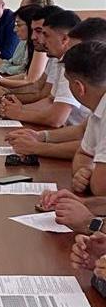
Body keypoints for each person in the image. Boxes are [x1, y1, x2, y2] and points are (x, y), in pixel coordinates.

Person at [5, 18, 106, 159]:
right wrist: (41, 136)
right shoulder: (70, 67)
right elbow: (82, 131)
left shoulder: (82, 75)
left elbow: (57, 119)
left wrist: (38, 147)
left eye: (75, 49)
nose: (69, 55)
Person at [0, 10, 89, 127]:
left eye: (45, 35)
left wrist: (20, 113)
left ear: (64, 39)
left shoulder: (73, 64)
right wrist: (19, 108)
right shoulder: (58, 60)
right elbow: (50, 100)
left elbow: (57, 119)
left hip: (73, 132)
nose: (40, 39)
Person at [0, 5, 61, 93]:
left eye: (18, 25)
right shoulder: (30, 44)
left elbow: (31, 82)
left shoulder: (42, 49)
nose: (15, 29)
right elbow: (26, 76)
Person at [66, 41, 106, 196]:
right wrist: (85, 171)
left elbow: (101, 188)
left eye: (68, 82)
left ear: (79, 87)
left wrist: (92, 178)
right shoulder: (98, 108)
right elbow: (83, 154)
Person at [0, 5, 43, 76]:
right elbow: (13, 62)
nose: (15, 30)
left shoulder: (40, 46)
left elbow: (24, 72)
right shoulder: (23, 42)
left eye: (18, 25)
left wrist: (1, 67)